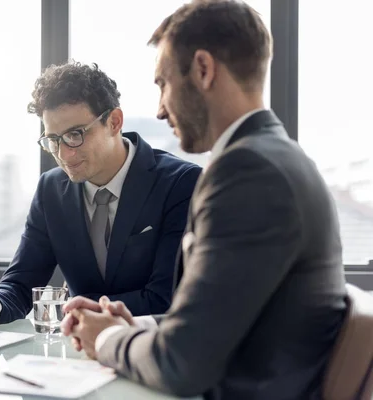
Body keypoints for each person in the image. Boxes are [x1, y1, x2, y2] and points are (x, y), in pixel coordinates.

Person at [61, 1, 347, 398]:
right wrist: (139, 326)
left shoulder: (248, 173)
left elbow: (183, 364)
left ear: (203, 69)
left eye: (162, 83)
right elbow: (224, 318)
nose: (160, 110)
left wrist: (107, 340)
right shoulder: (275, 157)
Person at [0, 62, 201, 326]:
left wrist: (75, 312)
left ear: (114, 122)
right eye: (53, 140)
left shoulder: (181, 184)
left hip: (153, 350)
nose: (65, 154)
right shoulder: (50, 189)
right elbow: (21, 282)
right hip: (77, 353)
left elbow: (166, 298)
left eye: (75, 135)